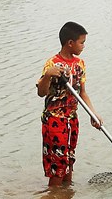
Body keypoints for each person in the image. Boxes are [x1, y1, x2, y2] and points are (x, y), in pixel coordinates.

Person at [35, 22, 103, 186]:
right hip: (55, 120)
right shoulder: (52, 64)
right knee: (58, 164)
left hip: (72, 119)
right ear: (70, 43)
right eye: (82, 42)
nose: (83, 46)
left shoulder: (80, 64)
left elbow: (82, 93)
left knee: (69, 161)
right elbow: (41, 92)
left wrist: (93, 114)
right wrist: (47, 76)